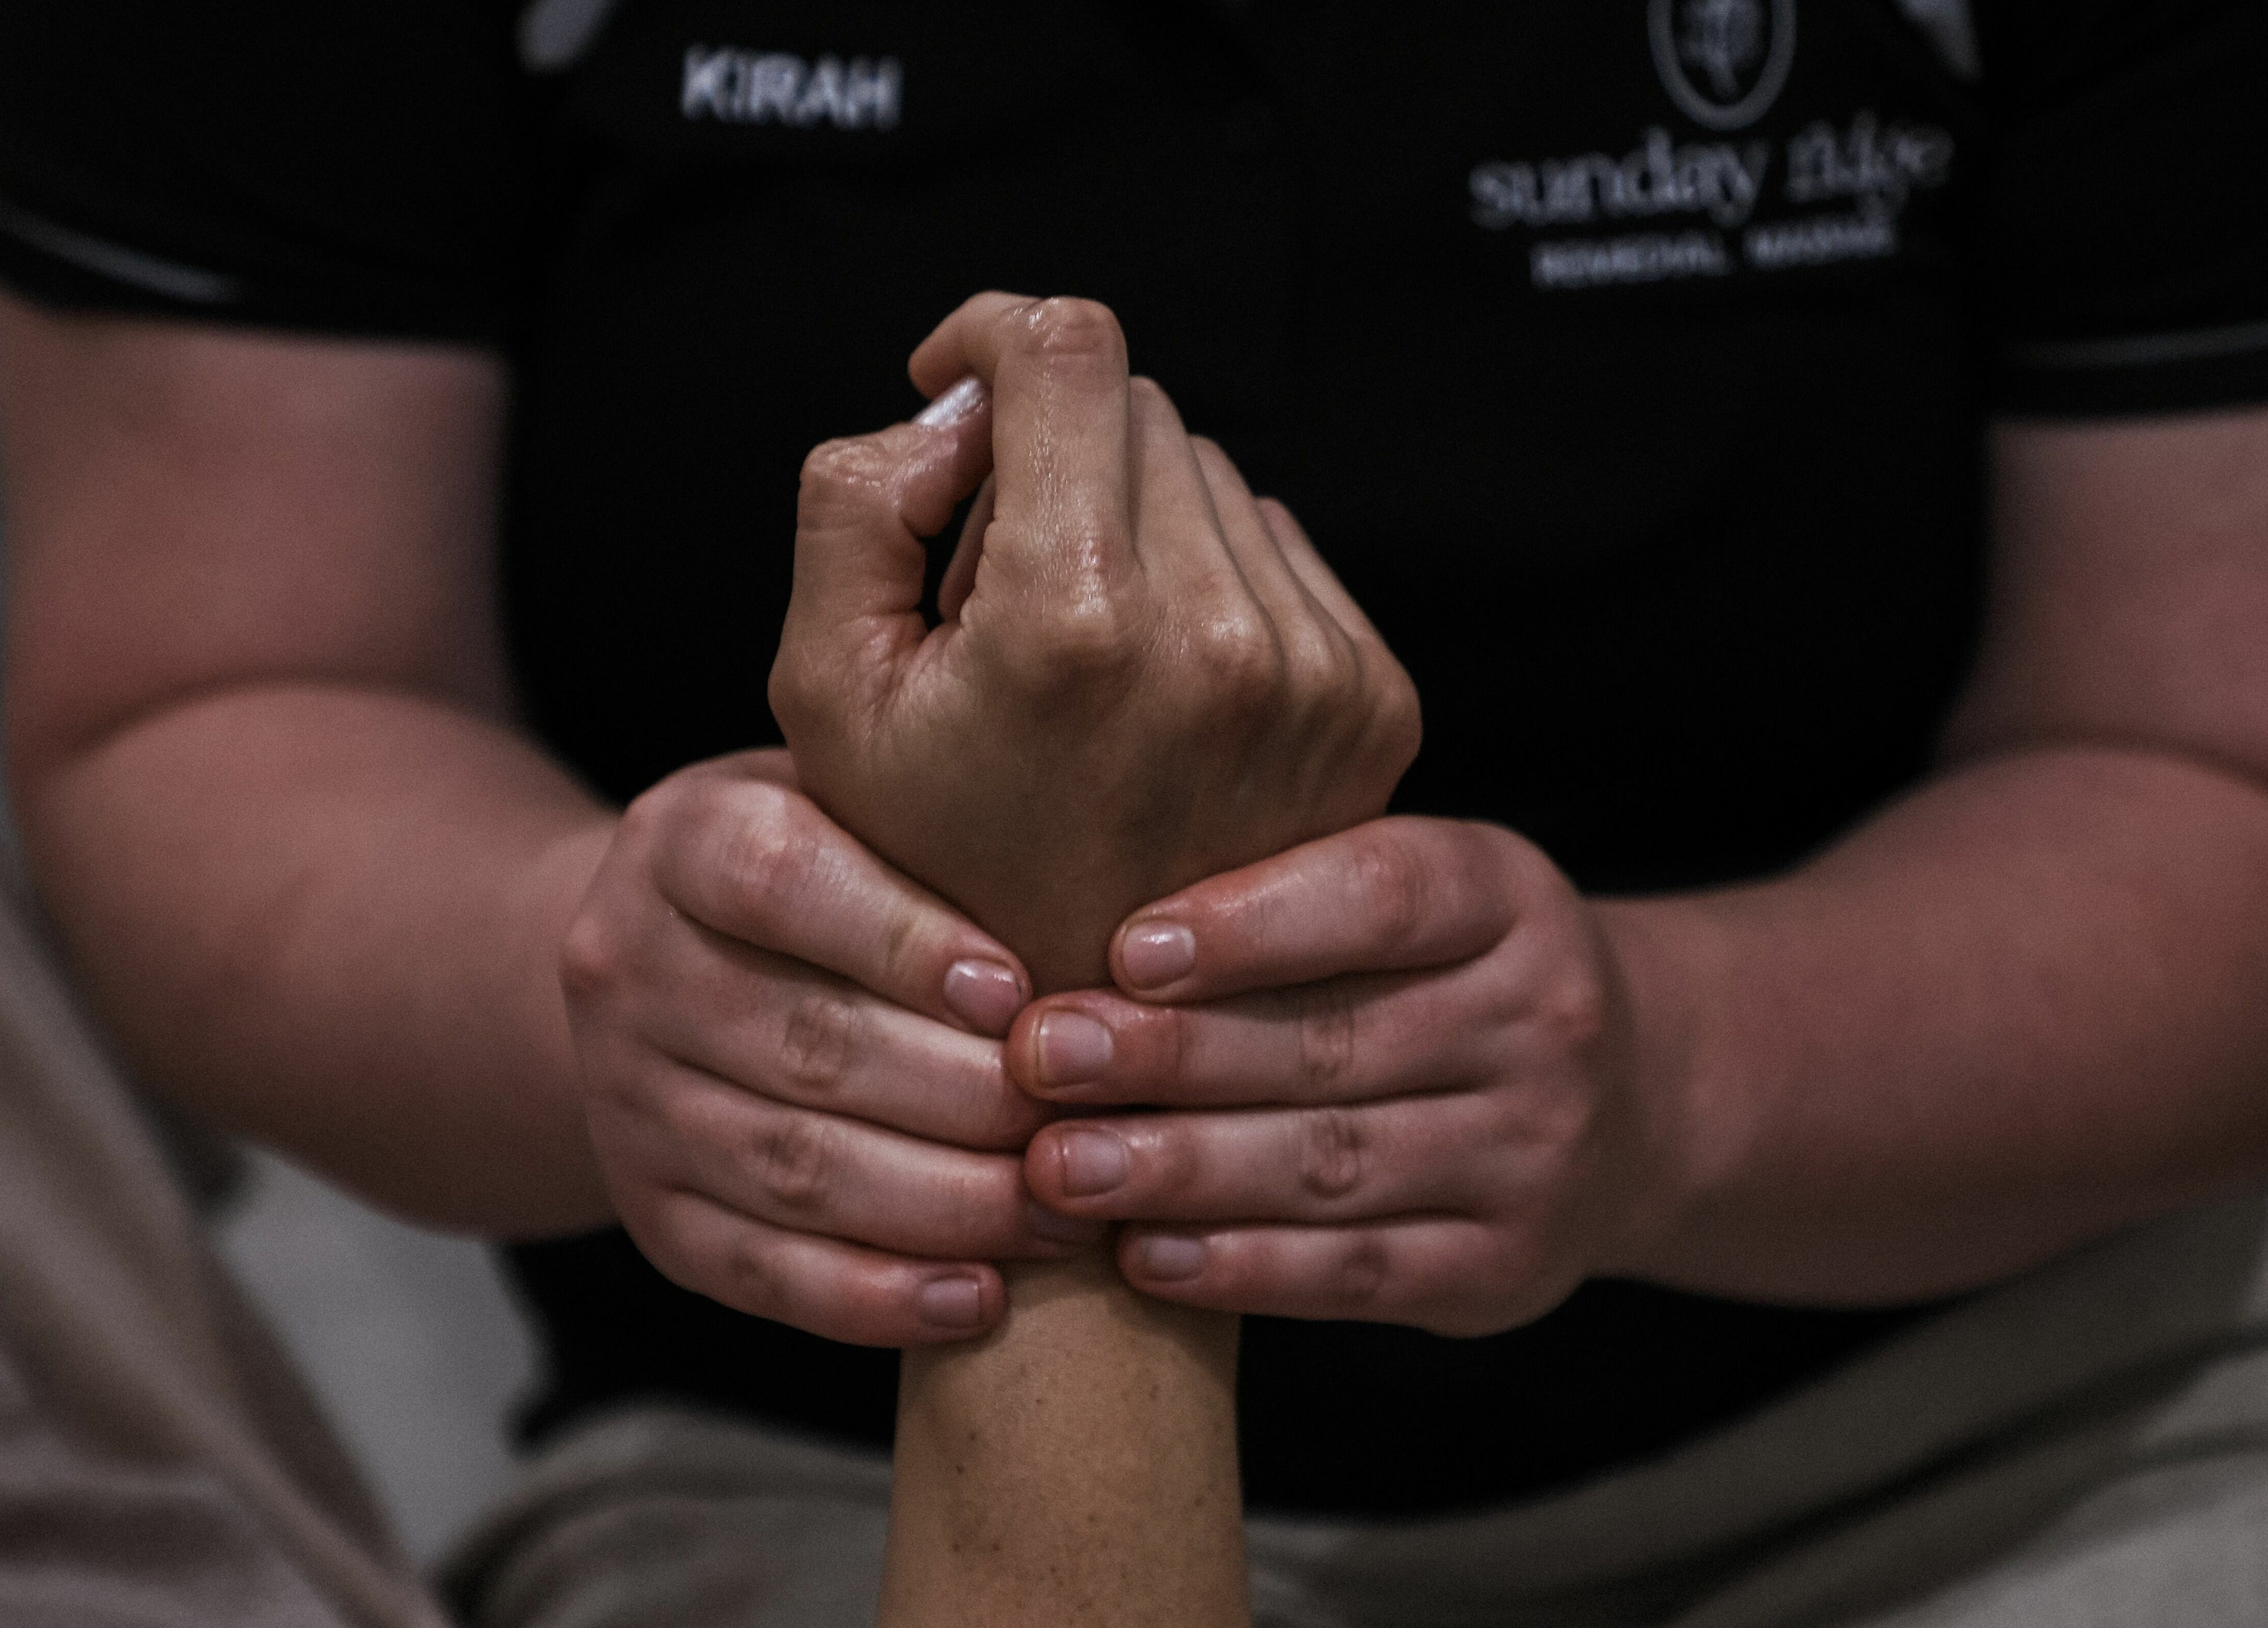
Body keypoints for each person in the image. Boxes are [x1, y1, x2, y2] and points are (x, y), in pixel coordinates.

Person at [4, 0, 2268, 1623]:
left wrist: (1685, 1070)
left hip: (2002, 1424)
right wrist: (630, 994)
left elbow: (2209, 760)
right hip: (792, 1464)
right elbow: (212, 688)